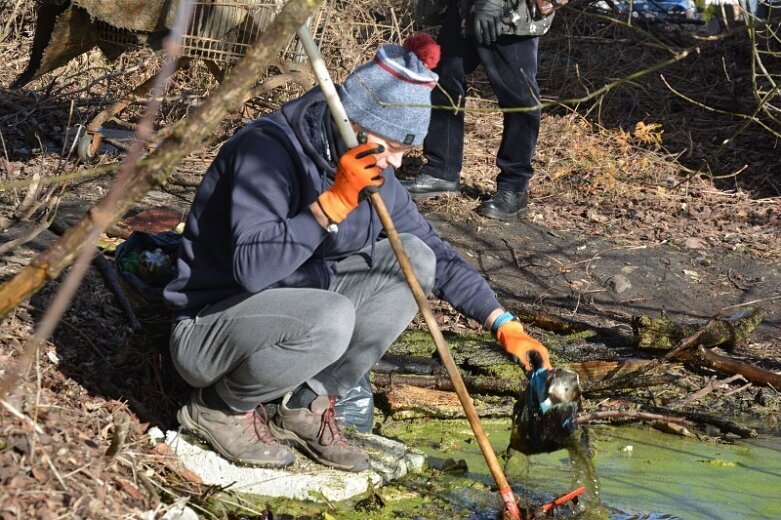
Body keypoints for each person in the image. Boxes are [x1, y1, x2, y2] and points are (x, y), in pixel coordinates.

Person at [163, 34, 551, 473]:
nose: (399, 165)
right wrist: (332, 203)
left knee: (416, 259)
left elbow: (438, 257)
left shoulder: (370, 171)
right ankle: (220, 408)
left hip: (296, 309)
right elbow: (253, 270)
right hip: (210, 329)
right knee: (332, 316)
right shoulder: (266, 153)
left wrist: (502, 323)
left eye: (407, 151)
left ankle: (303, 405)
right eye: (394, 148)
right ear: (355, 126)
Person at [401, 0, 557, 221]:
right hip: (468, 8)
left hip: (514, 12)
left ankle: (514, 189)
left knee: (519, 99)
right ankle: (441, 171)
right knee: (443, 78)